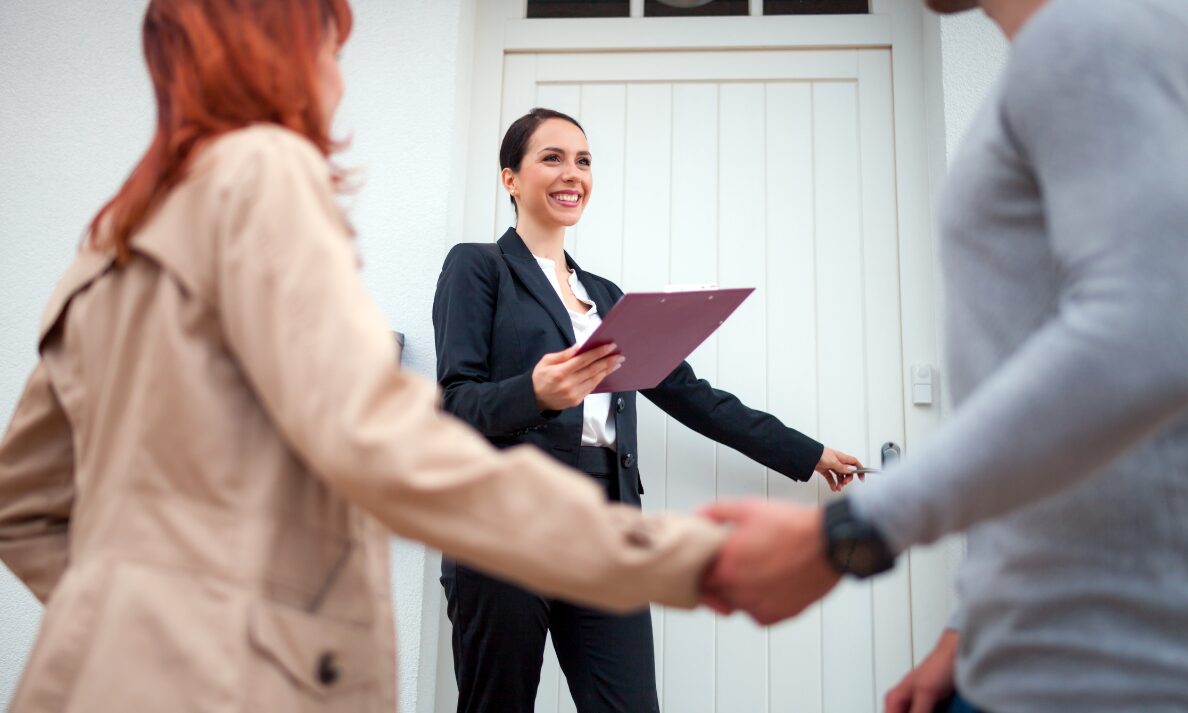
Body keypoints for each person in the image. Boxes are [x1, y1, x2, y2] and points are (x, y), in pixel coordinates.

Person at [0, 2, 726, 711]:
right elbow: (404, 449)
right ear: (270, 65)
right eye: (327, 54)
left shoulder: (113, 238)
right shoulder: (268, 187)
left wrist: (125, 621)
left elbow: (22, 504)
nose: (339, 83)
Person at [701, 0, 1188, 711]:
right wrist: (968, 630)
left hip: (1117, 664)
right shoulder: (1054, 58)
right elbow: (1042, 404)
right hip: (1024, 649)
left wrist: (851, 529)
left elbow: (1153, 323)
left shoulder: (1091, 31)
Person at [432, 106, 863, 713]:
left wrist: (806, 452)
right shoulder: (478, 268)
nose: (572, 173)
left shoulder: (605, 297)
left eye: (583, 160)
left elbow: (691, 396)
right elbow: (454, 404)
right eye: (551, 158)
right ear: (511, 179)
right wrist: (537, 392)